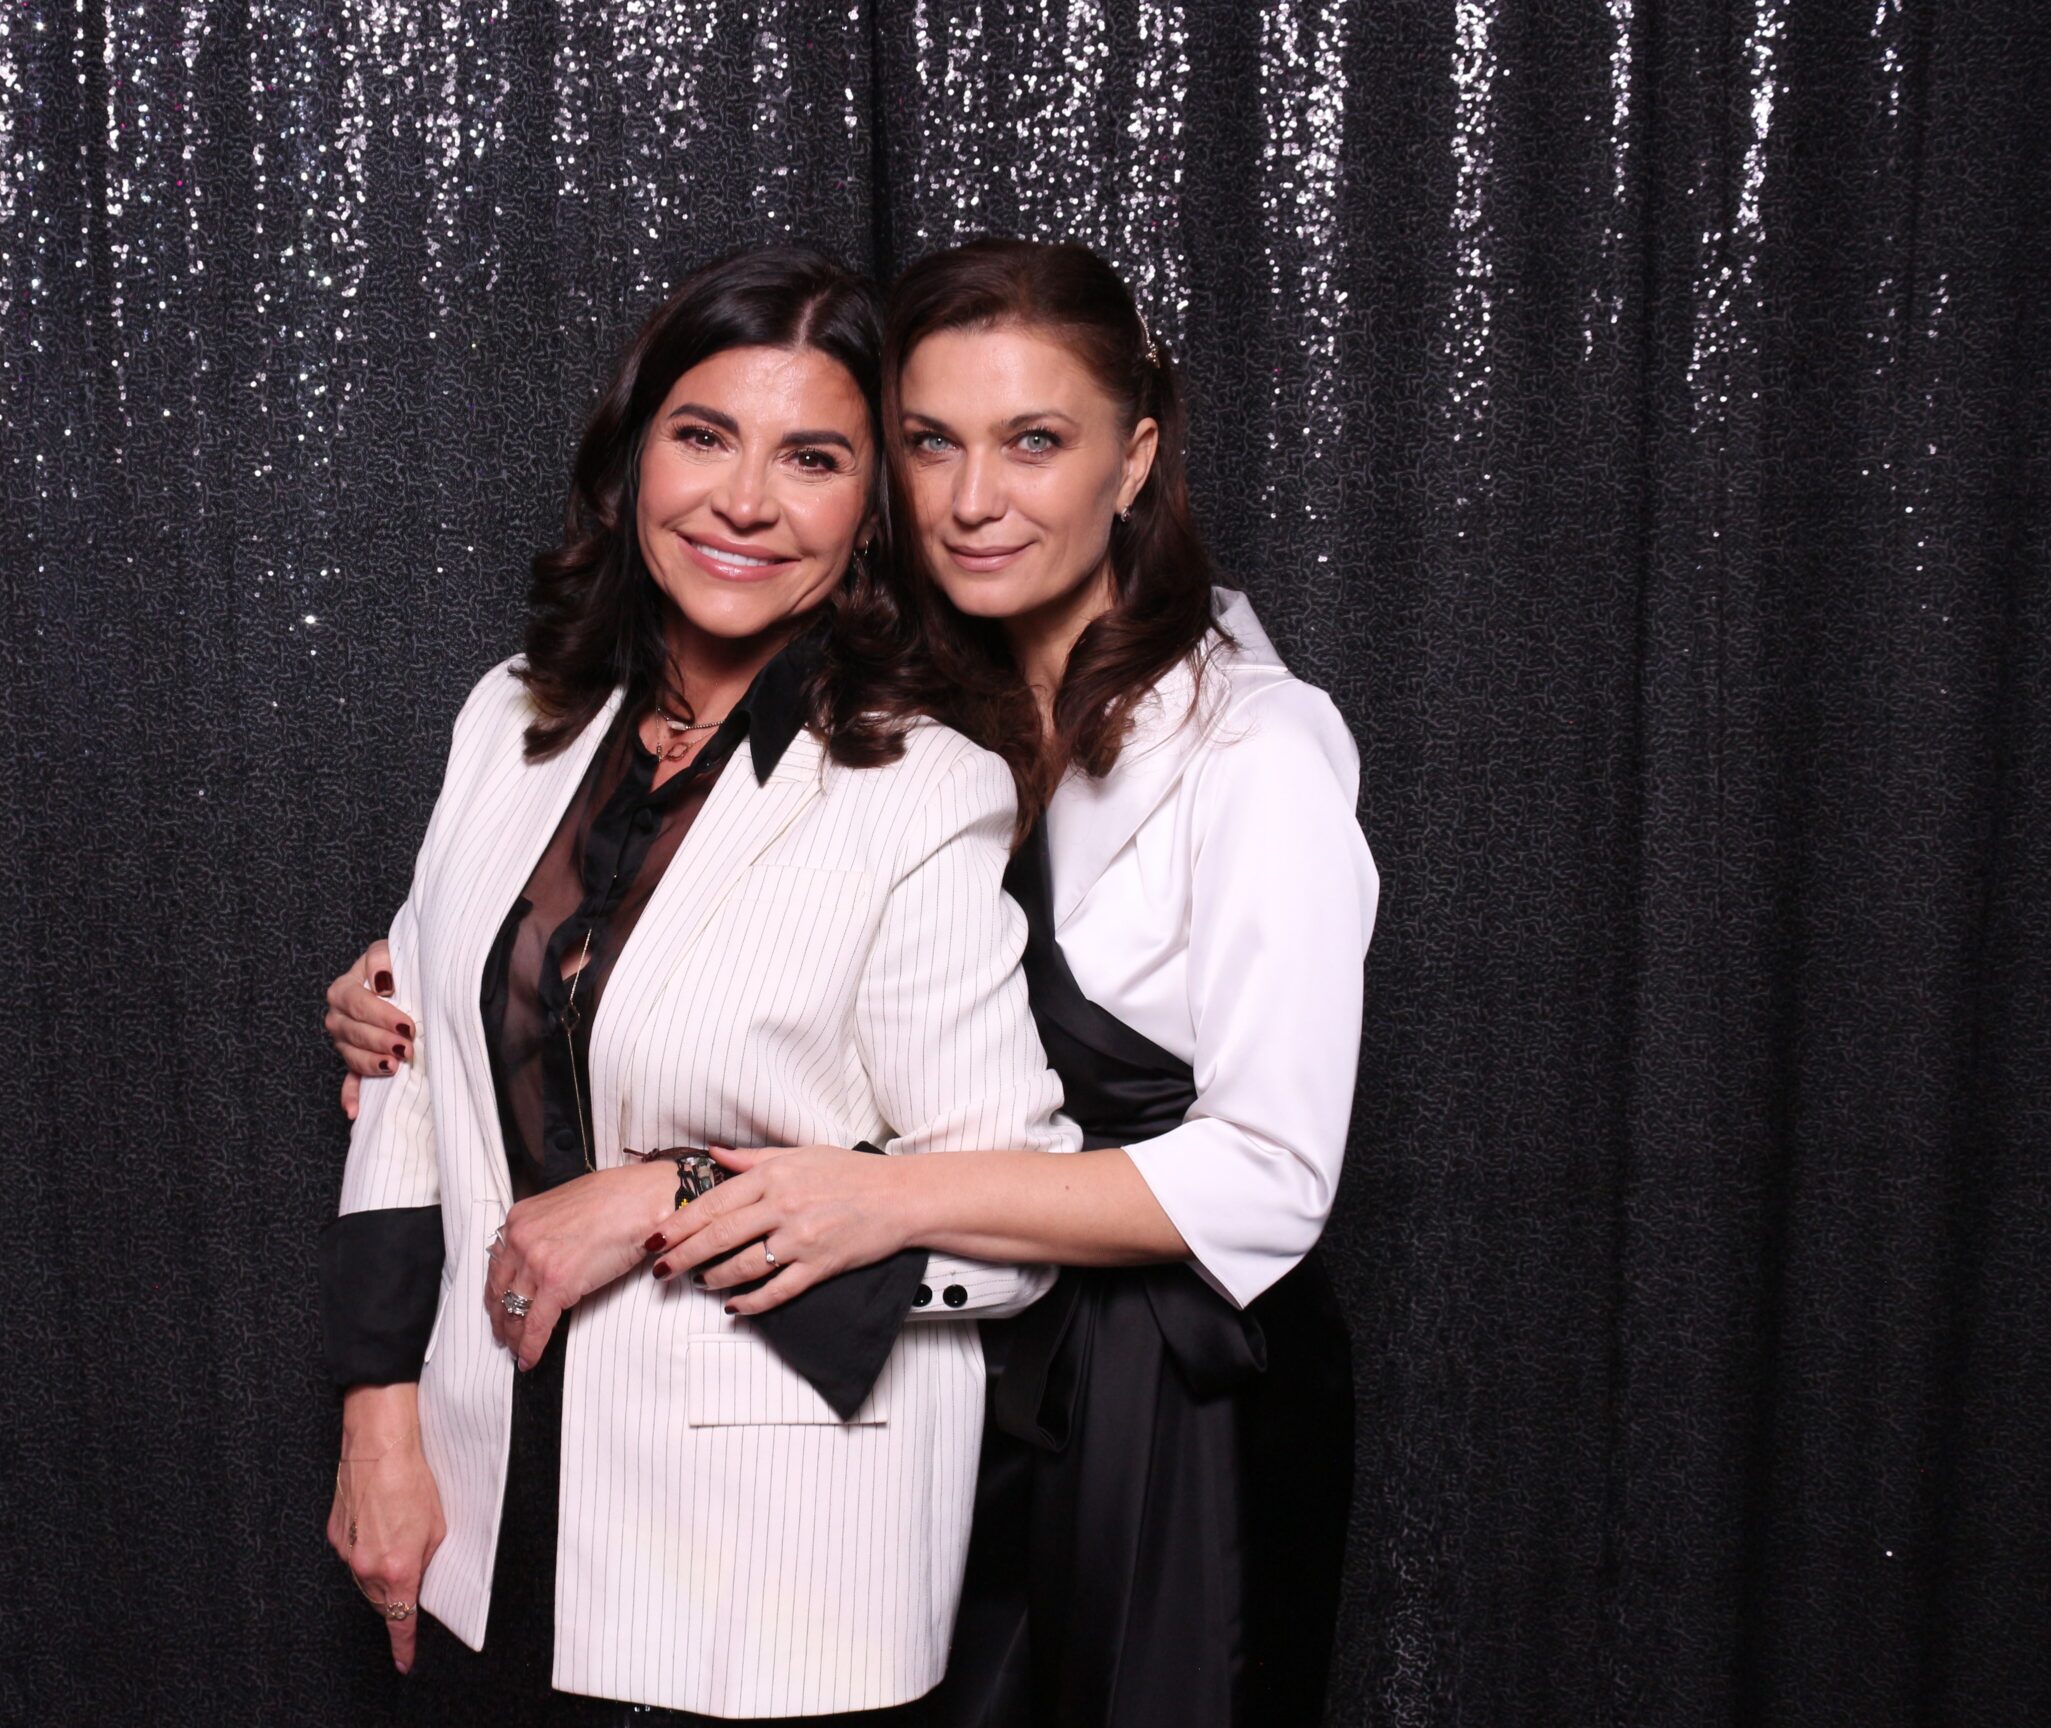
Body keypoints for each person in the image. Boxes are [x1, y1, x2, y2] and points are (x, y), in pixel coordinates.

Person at [328, 239, 1378, 1725]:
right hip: (904, 1394)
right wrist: (444, 990)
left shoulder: (1227, 751)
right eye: (932, 443)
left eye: (1034, 440)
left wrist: (759, 1191)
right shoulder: (915, 687)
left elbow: (1266, 1172)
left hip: (1150, 1384)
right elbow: (491, 1019)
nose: (974, 498)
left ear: (1136, 458)